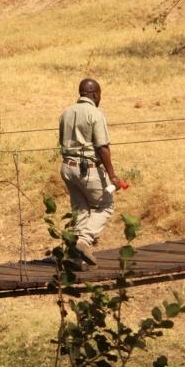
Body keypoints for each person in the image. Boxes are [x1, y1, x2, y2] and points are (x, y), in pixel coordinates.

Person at [58, 78, 125, 268]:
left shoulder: (66, 113)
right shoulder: (95, 114)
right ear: (95, 94)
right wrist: (112, 176)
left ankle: (73, 256)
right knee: (105, 204)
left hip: (67, 167)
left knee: (80, 208)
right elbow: (102, 147)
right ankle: (84, 241)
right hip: (87, 168)